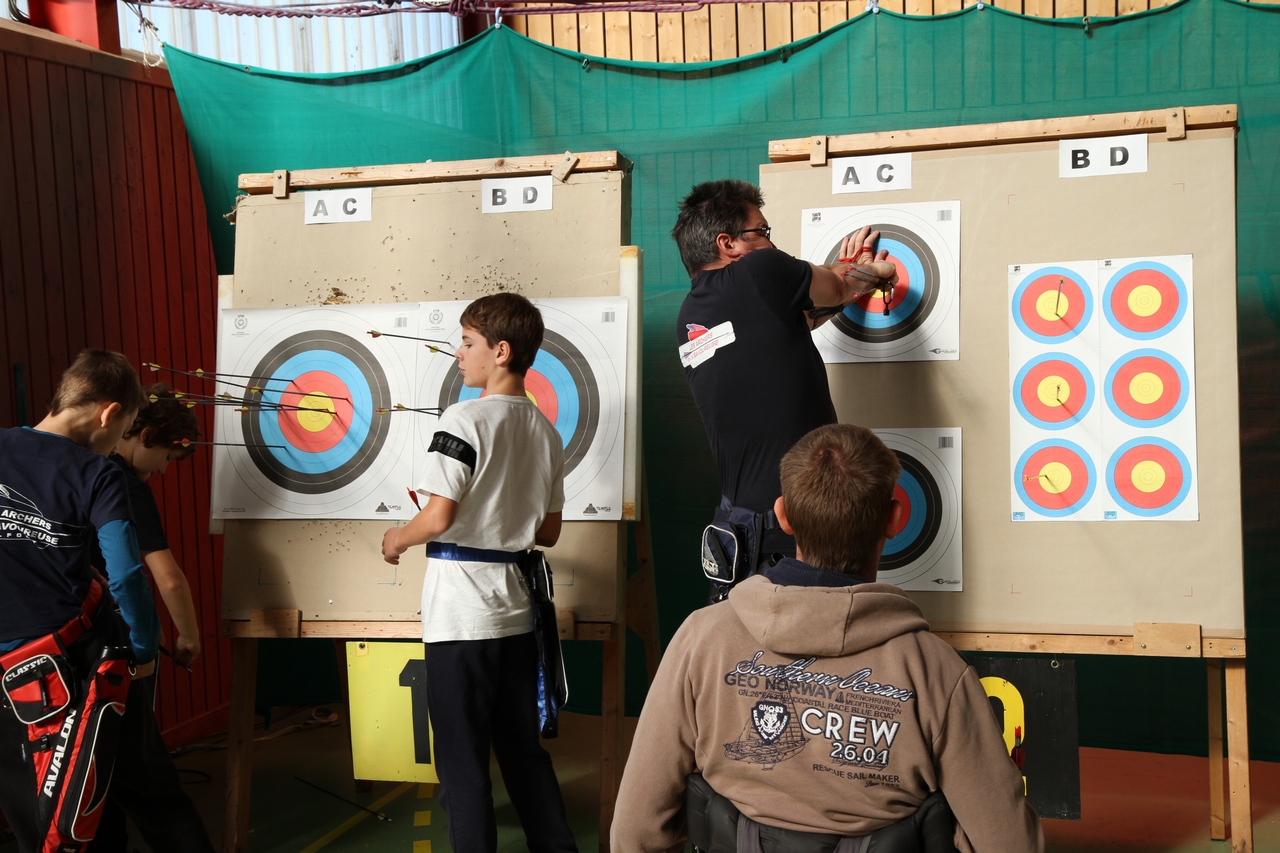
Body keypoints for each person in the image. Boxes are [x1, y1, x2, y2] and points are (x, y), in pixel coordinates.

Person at [611, 424, 1043, 853]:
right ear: (895, 519)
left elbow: (634, 831)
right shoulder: (936, 672)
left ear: (783, 515)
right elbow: (1010, 843)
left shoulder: (701, 640)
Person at [381, 292, 577, 853]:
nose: (458, 354)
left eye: (468, 343)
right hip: (516, 615)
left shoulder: (463, 419)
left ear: (501, 351)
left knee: (463, 764)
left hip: (461, 620)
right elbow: (549, 532)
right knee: (522, 752)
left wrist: (397, 539)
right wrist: (502, 516)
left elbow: (438, 516)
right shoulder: (546, 431)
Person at [672, 179, 899, 599]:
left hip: (737, 529)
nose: (772, 245)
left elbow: (800, 320)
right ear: (729, 244)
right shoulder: (760, 270)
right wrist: (876, 272)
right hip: (793, 525)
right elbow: (839, 285)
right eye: (762, 232)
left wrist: (846, 284)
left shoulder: (693, 317)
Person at [0, 350, 159, 852]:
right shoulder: (99, 473)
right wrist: (144, 648)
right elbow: (128, 572)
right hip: (55, 671)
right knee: (65, 817)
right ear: (109, 413)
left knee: (26, 812)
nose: (115, 445)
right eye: (125, 427)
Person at [86, 385, 215, 853]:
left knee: (98, 771)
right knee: (146, 773)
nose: (162, 470)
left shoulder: (84, 469)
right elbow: (169, 578)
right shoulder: (124, 484)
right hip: (117, 645)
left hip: (72, 645)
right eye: (165, 457)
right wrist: (190, 636)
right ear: (146, 435)